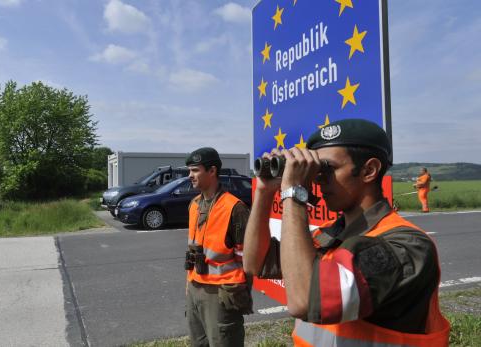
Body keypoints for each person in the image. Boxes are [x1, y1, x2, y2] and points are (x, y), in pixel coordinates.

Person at [243, 119, 450, 346]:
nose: (319, 179)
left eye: (327, 168)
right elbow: (255, 263)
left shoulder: (406, 245)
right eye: (316, 169)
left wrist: (294, 191)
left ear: (369, 170)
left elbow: (304, 300)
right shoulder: (330, 236)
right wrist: (264, 191)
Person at [184, 147, 252, 347]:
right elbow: (192, 251)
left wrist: (241, 295)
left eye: (195, 170)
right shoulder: (194, 205)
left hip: (221, 294)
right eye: (190, 170)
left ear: (212, 171)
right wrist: (188, 284)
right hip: (195, 289)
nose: (190, 175)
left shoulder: (235, 208)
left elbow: (247, 258)